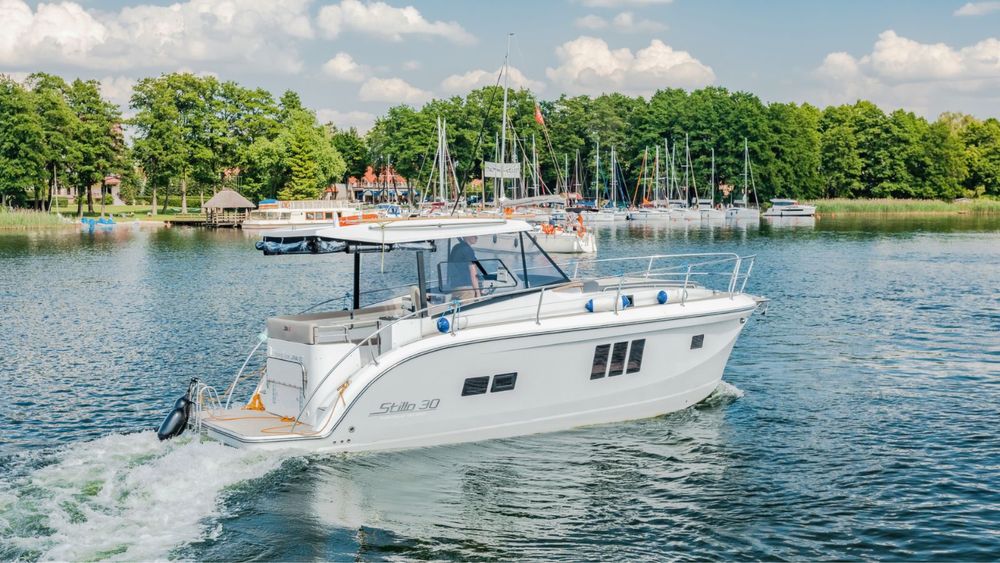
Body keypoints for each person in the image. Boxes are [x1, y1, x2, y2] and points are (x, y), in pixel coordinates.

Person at [447, 235, 480, 300]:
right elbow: (473, 273)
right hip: (466, 288)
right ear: (467, 236)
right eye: (474, 235)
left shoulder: (456, 247)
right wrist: (478, 292)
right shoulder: (468, 250)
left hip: (455, 286)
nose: (477, 237)